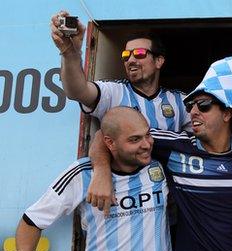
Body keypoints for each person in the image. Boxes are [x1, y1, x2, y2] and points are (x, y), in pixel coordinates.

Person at [89, 57, 232, 251]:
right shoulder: (176, 146)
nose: (193, 111)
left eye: (203, 105)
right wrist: (102, 173)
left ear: (228, 113)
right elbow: (108, 133)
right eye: (191, 105)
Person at [13, 107, 172, 251]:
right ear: (110, 143)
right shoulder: (83, 174)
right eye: (134, 139)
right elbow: (31, 221)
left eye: (147, 135)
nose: (147, 144)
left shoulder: (160, 166)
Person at [51, 11, 191, 212]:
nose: (131, 60)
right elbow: (77, 91)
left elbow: (204, 138)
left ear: (159, 61)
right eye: (126, 55)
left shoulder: (180, 100)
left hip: (169, 206)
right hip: (123, 205)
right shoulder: (114, 91)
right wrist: (70, 52)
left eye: (140, 54)